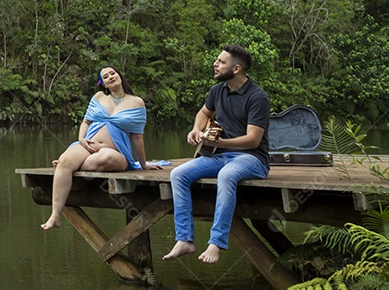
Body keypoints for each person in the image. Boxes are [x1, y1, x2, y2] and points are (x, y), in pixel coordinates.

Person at [163, 44, 270, 264]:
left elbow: (253, 139)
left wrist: (221, 141)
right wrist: (196, 129)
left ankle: (216, 243)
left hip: (252, 158)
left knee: (227, 175)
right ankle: (185, 239)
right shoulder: (217, 90)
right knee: (178, 174)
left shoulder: (257, 97)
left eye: (221, 61)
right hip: (219, 156)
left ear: (237, 68)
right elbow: (204, 112)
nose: (215, 64)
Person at [41, 65, 162, 231]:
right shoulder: (98, 97)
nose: (110, 76)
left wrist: (143, 164)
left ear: (119, 75)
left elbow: (137, 137)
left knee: (104, 157)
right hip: (88, 144)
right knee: (67, 160)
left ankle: (69, 164)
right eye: (106, 76)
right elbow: (86, 122)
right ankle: (55, 215)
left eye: (113, 73)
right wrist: (81, 140)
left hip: (115, 153)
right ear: (103, 84)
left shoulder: (136, 102)